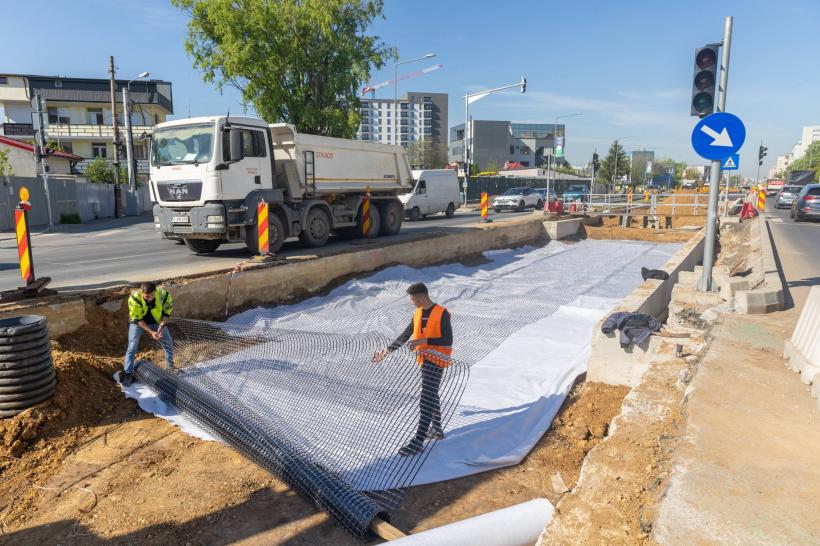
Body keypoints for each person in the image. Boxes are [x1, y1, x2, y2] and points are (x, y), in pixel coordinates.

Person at [373, 282, 453, 457]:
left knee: (426, 397)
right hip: (424, 360)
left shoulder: (442, 313)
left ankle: (418, 441)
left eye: (413, 298)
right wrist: (385, 352)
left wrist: (423, 342)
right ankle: (437, 429)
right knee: (431, 393)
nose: (412, 302)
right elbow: (405, 334)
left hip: (438, 359)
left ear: (421, 297)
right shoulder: (418, 313)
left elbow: (447, 339)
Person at [123, 281, 174, 386]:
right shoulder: (134, 298)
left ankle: (170, 367)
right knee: (132, 345)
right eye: (146, 296)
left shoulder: (163, 295)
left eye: (152, 296)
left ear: (155, 291)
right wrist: (151, 332)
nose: (149, 298)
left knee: (168, 342)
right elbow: (138, 319)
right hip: (138, 323)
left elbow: (167, 311)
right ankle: (128, 373)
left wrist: (162, 325)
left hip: (156, 321)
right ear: (142, 293)